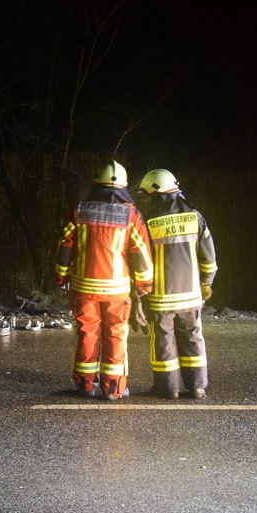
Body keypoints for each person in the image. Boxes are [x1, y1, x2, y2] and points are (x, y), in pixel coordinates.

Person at [55, 160, 154, 401]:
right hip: (116, 289)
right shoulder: (131, 213)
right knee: (116, 334)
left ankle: (86, 385)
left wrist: (62, 275)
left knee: (87, 333)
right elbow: (140, 252)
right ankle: (114, 388)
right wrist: (144, 284)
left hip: (83, 286)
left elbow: (65, 244)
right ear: (123, 184)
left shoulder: (80, 210)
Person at [133, 168, 217, 399]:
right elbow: (208, 258)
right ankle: (197, 387)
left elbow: (141, 260)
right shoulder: (195, 216)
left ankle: (167, 389)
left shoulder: (148, 222)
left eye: (147, 195)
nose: (146, 199)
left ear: (155, 192)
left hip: (160, 298)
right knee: (192, 339)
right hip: (191, 296)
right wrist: (206, 283)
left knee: (163, 343)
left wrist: (139, 293)